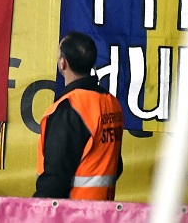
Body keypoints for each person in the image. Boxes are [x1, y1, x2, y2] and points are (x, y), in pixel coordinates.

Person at [35, 32, 123, 199]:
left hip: (73, 214)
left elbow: (55, 181)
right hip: (104, 212)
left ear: (63, 63)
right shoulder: (111, 103)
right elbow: (115, 165)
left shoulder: (70, 109)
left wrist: (34, 214)